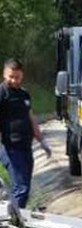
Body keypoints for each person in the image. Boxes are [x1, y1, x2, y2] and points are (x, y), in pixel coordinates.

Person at [0, 58, 51, 208]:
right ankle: (15, 220)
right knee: (21, 187)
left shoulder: (24, 94)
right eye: (11, 77)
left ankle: (16, 215)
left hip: (25, 147)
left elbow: (31, 118)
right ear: (4, 74)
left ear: (22, 75)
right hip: (9, 147)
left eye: (17, 77)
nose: (14, 80)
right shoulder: (2, 93)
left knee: (25, 186)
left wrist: (42, 141)